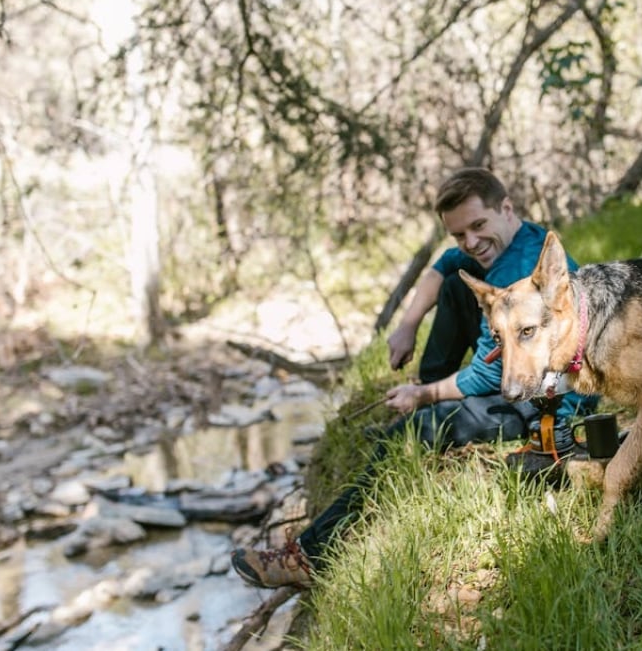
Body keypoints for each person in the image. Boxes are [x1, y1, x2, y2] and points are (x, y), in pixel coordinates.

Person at [231, 167, 596, 588]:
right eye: (459, 234)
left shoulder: (516, 274)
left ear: (506, 208)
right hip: (520, 379)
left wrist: (421, 395)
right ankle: (427, 411)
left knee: (415, 430)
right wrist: (406, 325)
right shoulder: (514, 238)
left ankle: (307, 559)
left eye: (478, 226)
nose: (470, 242)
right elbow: (444, 263)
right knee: (457, 285)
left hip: (548, 402)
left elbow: (486, 375)